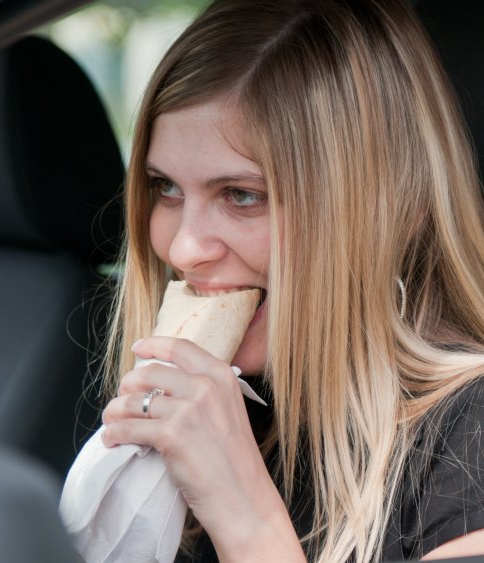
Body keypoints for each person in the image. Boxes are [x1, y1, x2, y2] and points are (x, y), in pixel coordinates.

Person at [96, 0, 484, 561]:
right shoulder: (192, 409)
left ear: (392, 210)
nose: (183, 248)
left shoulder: (467, 441)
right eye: (166, 188)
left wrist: (245, 519)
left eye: (242, 195)